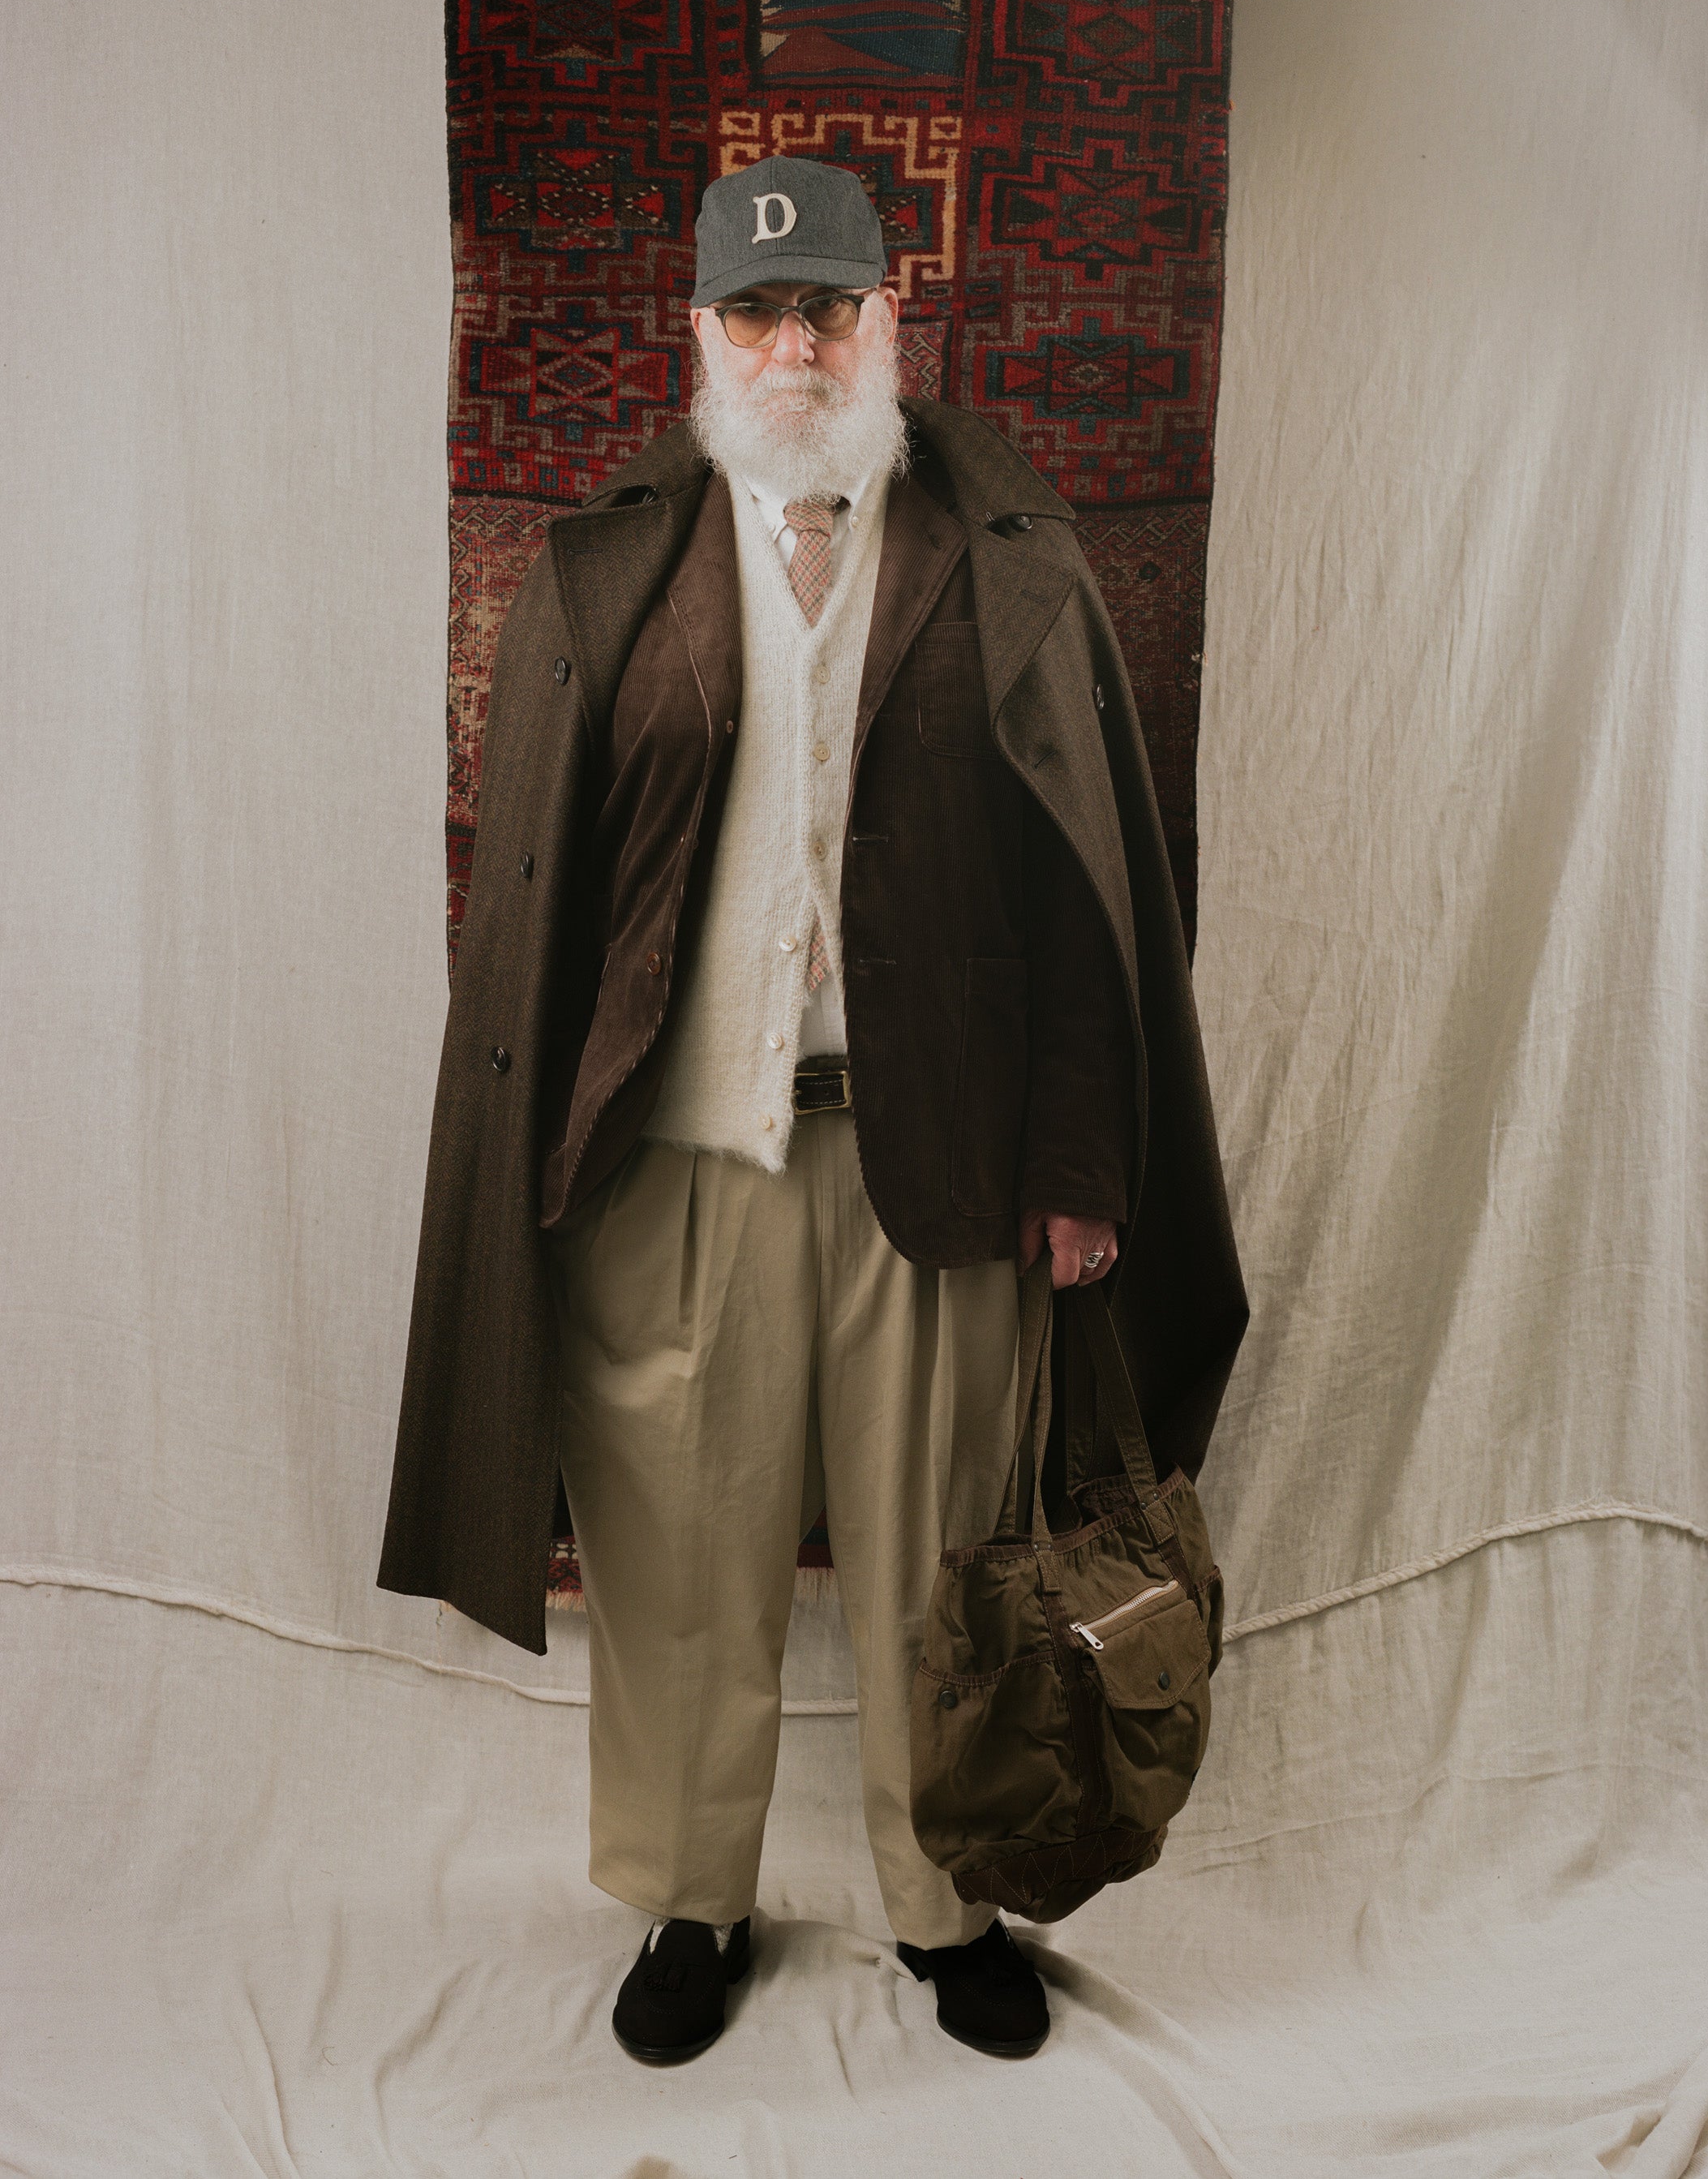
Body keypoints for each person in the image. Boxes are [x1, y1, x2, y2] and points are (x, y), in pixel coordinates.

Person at [377, 153, 1247, 2067]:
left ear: (887, 319)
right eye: (757, 311)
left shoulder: (1007, 559)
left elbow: (1088, 893)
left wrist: (1079, 1164)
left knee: (947, 1568)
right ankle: (691, 1899)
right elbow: (536, 909)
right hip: (674, 1171)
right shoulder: (604, 573)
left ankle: (948, 1904)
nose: (794, 345)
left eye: (828, 308)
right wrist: (534, 1170)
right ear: (699, 330)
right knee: (677, 1569)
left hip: (942, 1169)